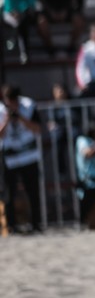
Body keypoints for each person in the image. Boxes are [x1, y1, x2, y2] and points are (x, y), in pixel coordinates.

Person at [0, 85, 43, 234]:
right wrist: (6, 120)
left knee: (33, 191)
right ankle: (11, 226)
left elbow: (37, 129)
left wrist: (20, 117)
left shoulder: (28, 105)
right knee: (9, 193)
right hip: (10, 158)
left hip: (29, 155)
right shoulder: (1, 110)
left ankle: (36, 224)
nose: (10, 104)